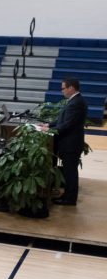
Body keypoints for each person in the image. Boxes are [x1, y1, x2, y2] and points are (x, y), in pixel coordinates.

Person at [44, 77, 88, 206]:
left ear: (71, 88)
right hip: (69, 143)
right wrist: (48, 125)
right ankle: (68, 196)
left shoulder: (76, 103)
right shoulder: (73, 101)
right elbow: (61, 120)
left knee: (70, 172)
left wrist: (49, 131)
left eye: (63, 88)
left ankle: (69, 199)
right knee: (69, 172)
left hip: (71, 144)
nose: (62, 91)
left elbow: (67, 125)